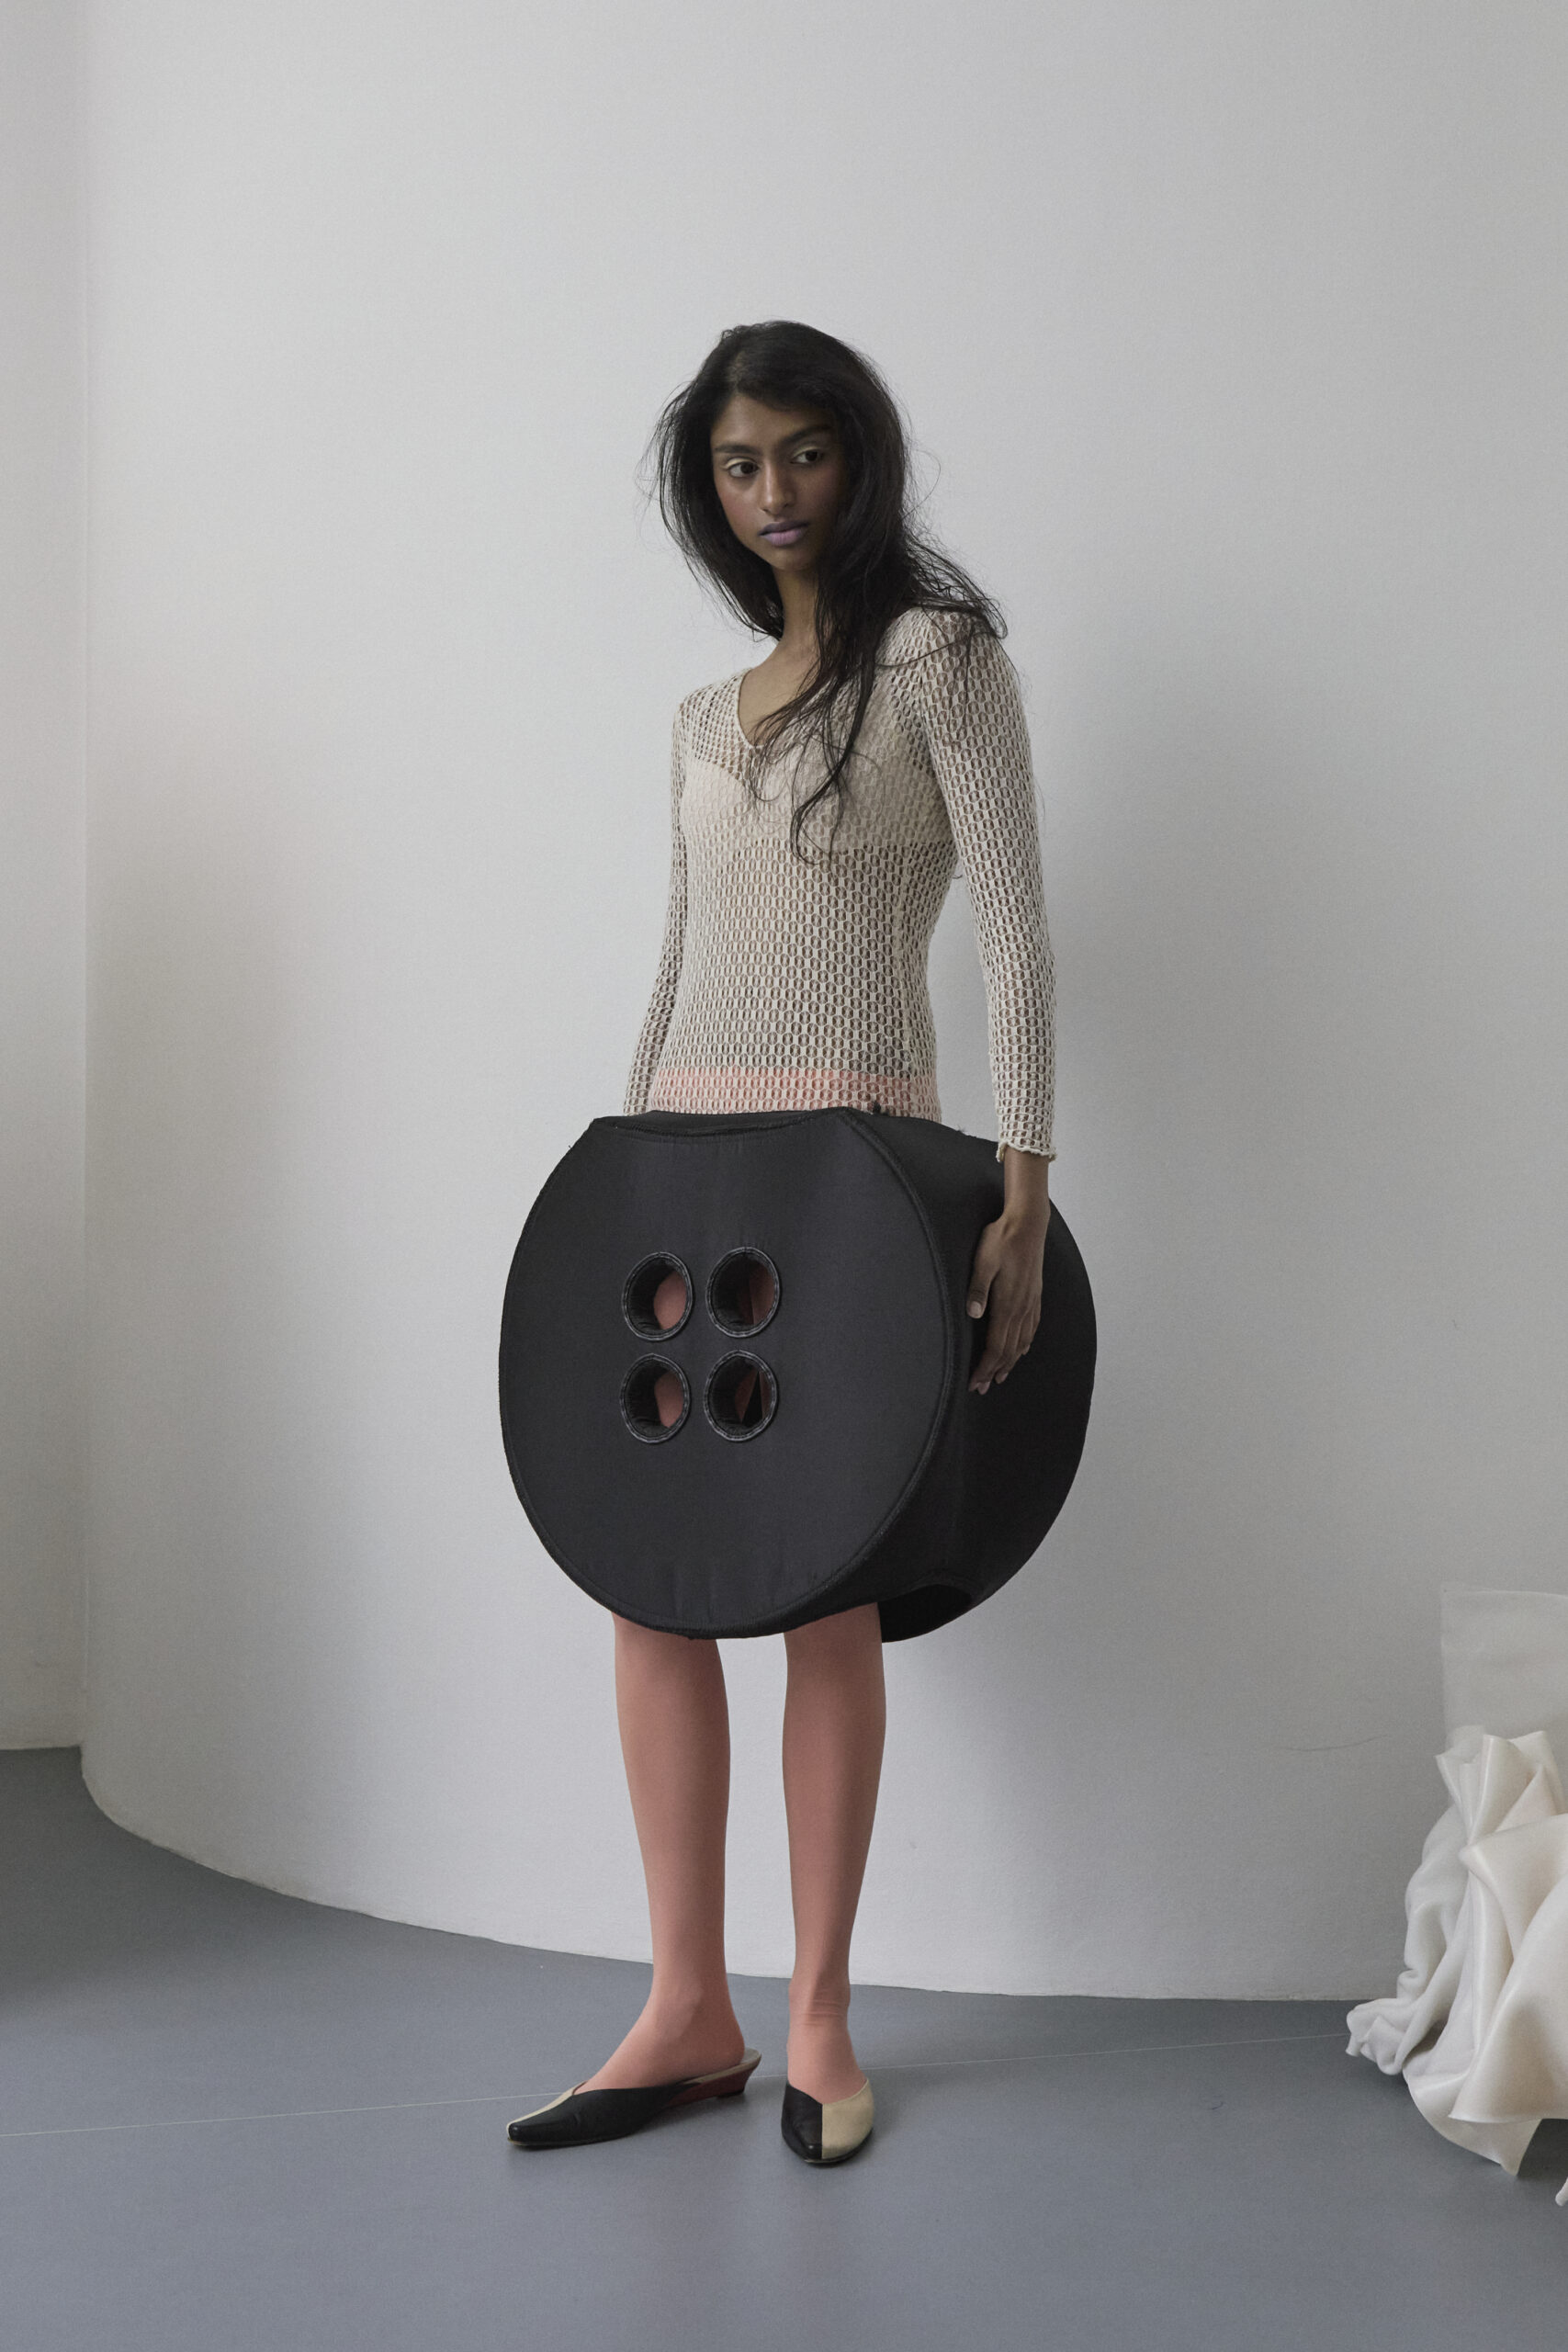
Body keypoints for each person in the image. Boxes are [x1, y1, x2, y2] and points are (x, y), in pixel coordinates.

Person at [507, 320, 1056, 2165]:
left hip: (854, 1171)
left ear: (858, 456)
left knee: (827, 1582)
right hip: (680, 1174)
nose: (775, 494)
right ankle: (686, 2002)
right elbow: (676, 964)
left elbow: (1018, 931)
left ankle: (817, 2012)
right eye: (741, 465)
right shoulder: (700, 715)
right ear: (709, 485)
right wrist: (621, 1178)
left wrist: (1024, 1193)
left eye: (805, 454)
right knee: (646, 1576)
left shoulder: (939, 658)